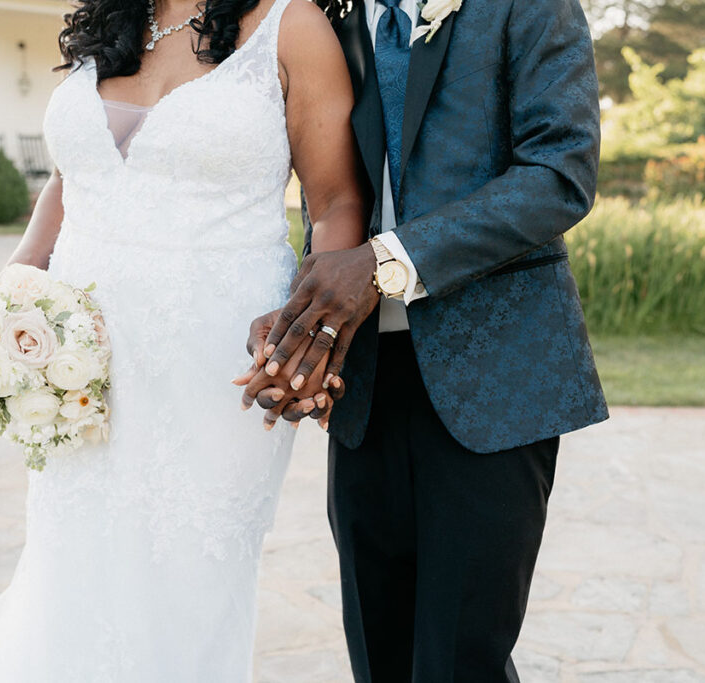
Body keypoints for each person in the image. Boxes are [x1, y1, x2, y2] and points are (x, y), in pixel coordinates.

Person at [0, 0, 363, 680]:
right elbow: (74, 177)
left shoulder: (290, 25)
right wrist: (14, 288)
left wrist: (311, 337)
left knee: (187, 583)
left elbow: (335, 202)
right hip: (79, 365)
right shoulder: (110, 21)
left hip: (218, 368)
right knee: (72, 571)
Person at [238, 0, 608, 679]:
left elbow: (560, 172)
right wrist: (306, 324)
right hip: (367, 389)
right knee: (378, 654)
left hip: (494, 382)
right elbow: (330, 190)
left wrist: (385, 259)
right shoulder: (332, 14)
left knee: (462, 661)